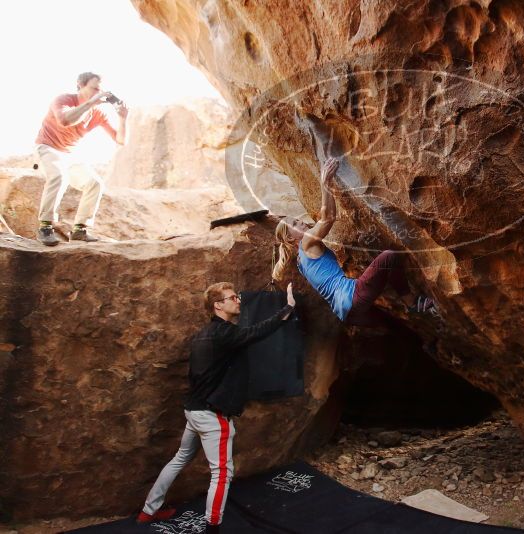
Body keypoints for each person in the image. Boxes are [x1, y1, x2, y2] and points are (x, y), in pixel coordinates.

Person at [136, 282, 295, 533]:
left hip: (194, 409)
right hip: (211, 415)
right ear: (217, 305)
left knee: (179, 459)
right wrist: (287, 308)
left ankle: (148, 511)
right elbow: (258, 331)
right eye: (232, 298)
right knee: (222, 474)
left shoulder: (203, 334)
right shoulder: (225, 334)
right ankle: (212, 529)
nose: (238, 301)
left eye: (237, 297)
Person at [273, 158, 436, 327]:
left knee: (394, 325)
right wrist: (325, 182)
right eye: (294, 224)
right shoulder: (306, 242)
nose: (299, 221)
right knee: (389, 257)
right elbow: (327, 218)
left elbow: (326, 217)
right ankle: (411, 303)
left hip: (348, 314)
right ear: (291, 238)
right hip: (352, 298)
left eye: (296, 219)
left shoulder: (301, 261)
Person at [33, 71, 128, 245]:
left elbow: (120, 140)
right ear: (80, 86)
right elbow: (65, 121)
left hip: (69, 154)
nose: (98, 93)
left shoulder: (98, 113)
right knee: (59, 177)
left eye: (100, 89)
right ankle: (45, 226)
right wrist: (91, 102)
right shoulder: (63, 100)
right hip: (48, 147)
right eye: (94, 88)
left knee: (95, 183)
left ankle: (79, 230)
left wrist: (122, 118)